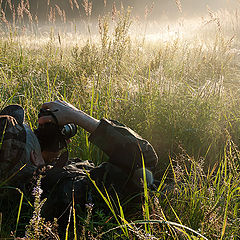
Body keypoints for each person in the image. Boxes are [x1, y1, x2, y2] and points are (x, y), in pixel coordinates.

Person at [0, 100, 158, 227]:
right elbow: (145, 161)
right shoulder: (68, 190)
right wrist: (79, 117)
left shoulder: (23, 189)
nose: (34, 130)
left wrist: (45, 165)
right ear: (32, 158)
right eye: (31, 135)